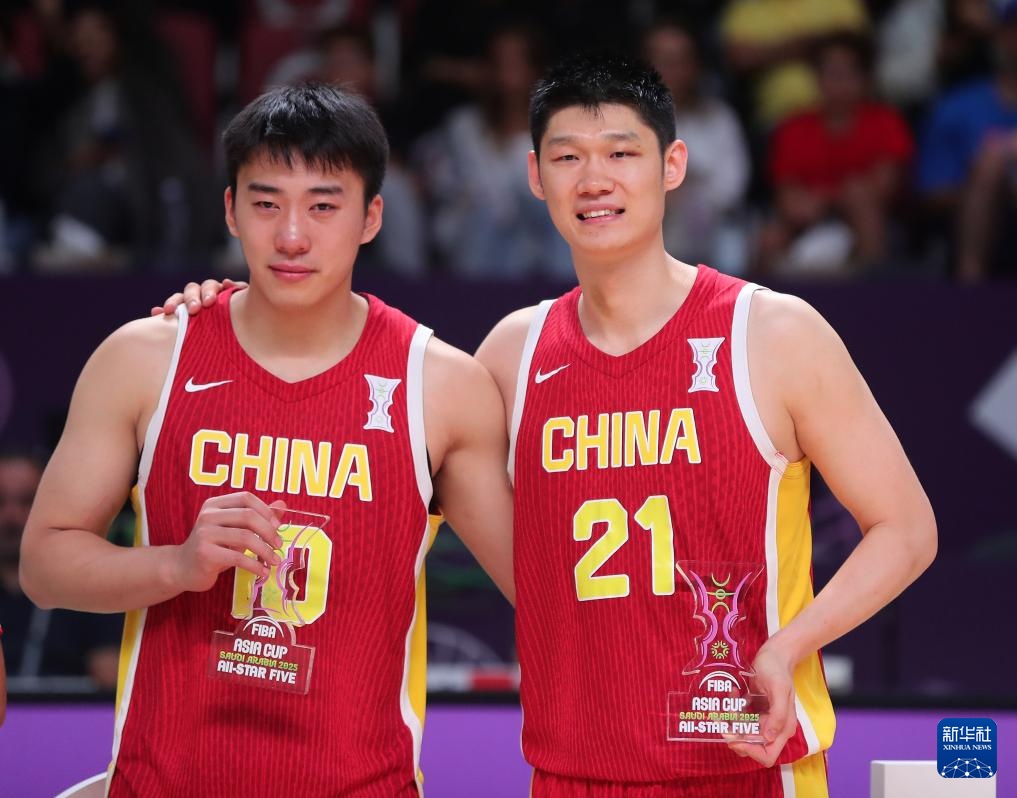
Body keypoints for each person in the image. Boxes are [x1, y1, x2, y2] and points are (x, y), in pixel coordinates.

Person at [166, 53, 937, 796]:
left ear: (672, 165)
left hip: (748, 765)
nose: (594, 180)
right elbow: (342, 431)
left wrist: (788, 647)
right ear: (535, 176)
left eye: (621, 153)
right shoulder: (511, 355)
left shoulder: (771, 333)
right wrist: (227, 314)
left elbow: (904, 530)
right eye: (567, 158)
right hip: (571, 771)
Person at [20, 82, 513, 797]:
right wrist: (174, 565)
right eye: (266, 203)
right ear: (230, 210)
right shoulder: (145, 356)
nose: (291, 236)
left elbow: (545, 592)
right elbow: (43, 565)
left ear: (372, 217)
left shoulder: (440, 384)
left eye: (323, 205)